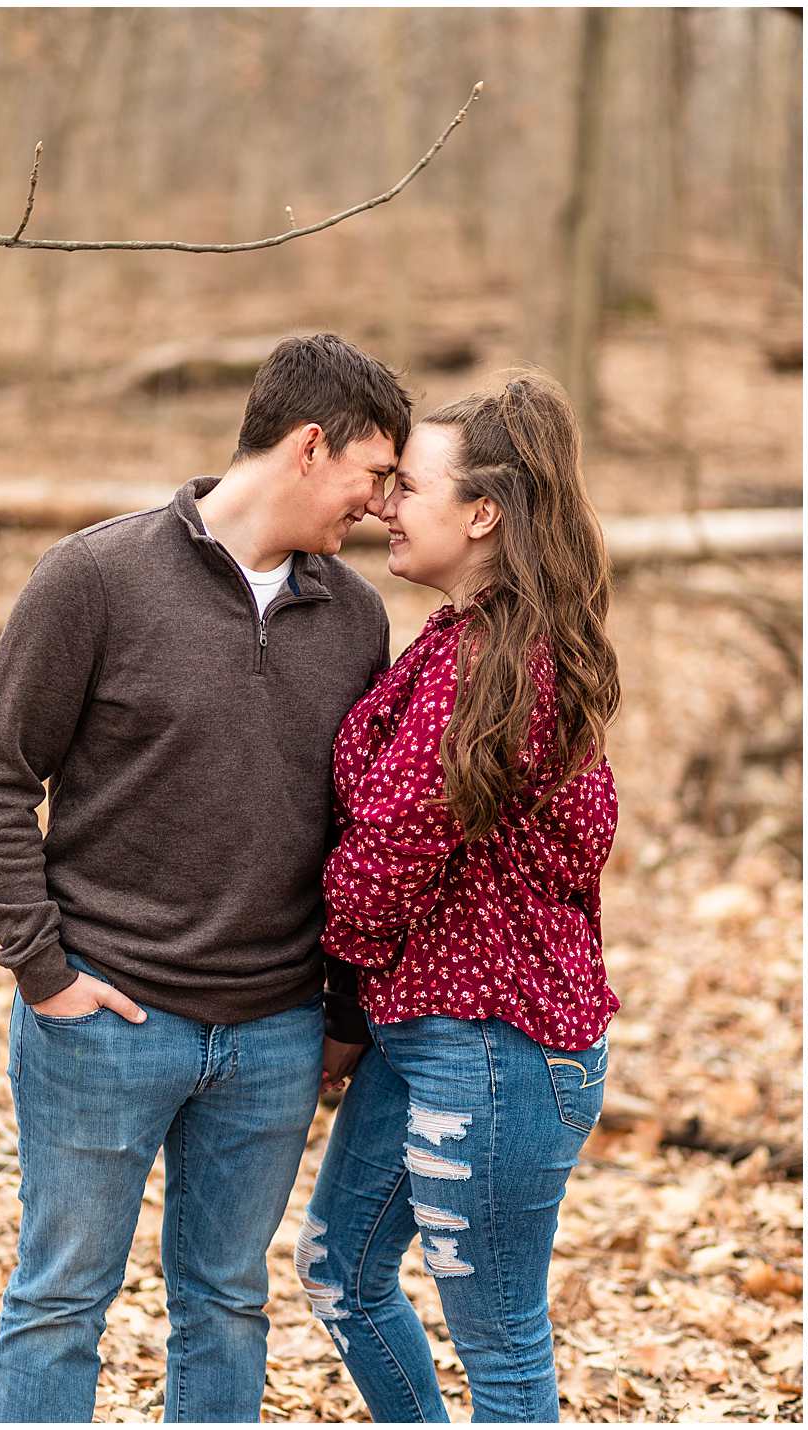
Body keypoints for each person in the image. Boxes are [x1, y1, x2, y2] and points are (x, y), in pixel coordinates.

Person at [0, 334, 411, 1422]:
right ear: (311, 445)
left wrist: (338, 1005)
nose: (383, 503)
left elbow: (359, 827)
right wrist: (41, 968)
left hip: (271, 1033)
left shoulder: (354, 616)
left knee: (226, 1301)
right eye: (374, 473)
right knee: (62, 1298)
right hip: (106, 1016)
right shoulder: (96, 577)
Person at [293, 371, 621, 1423]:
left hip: (494, 1048)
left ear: (482, 512)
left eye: (410, 486)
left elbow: (386, 857)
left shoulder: (499, 663)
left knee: (502, 1346)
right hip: (424, 1030)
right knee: (340, 1269)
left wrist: (322, 962)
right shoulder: (463, 640)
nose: (387, 505)